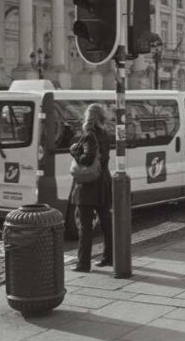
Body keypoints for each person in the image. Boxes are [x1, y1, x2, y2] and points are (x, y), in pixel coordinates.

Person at [70, 103, 113, 272]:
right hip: (103, 182)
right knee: (106, 223)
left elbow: (87, 159)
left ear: (88, 117)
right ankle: (109, 257)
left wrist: (74, 152)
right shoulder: (105, 134)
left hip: (88, 187)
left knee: (85, 227)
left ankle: (83, 264)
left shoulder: (89, 135)